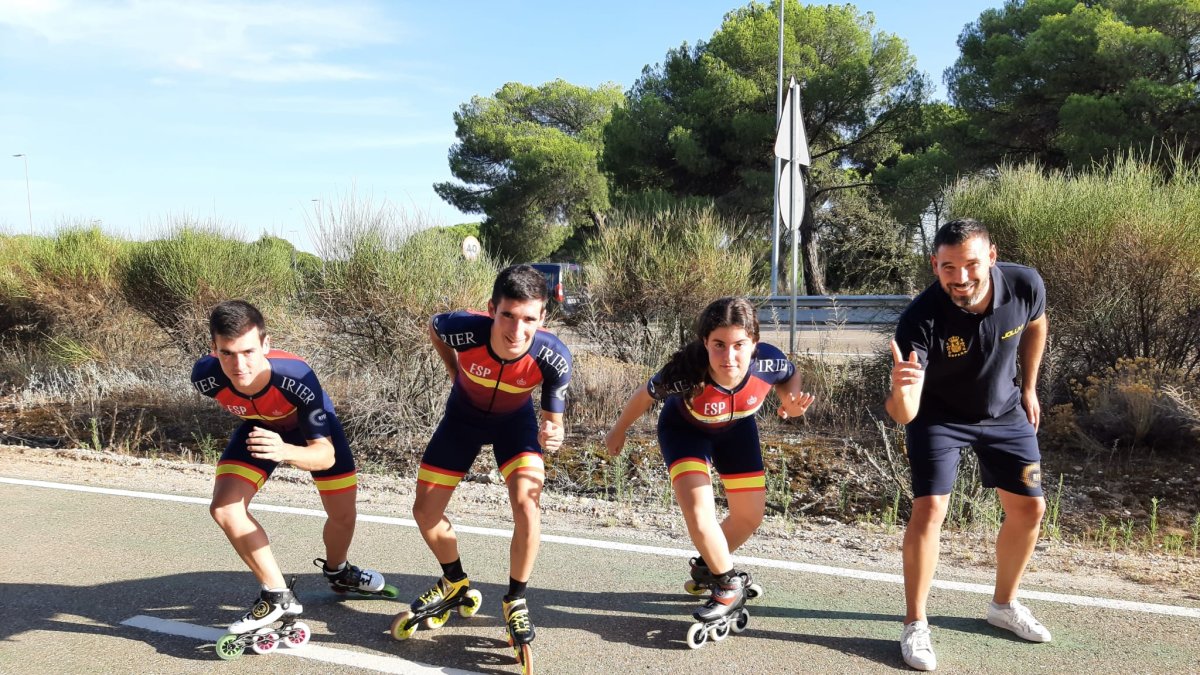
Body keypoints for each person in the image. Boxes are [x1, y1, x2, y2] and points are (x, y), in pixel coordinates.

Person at [886, 219, 1051, 671]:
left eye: (971, 265)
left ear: (992, 258)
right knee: (930, 509)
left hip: (1004, 413)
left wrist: (1029, 387)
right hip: (939, 419)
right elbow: (905, 414)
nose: (961, 278)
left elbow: (1036, 324)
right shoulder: (919, 319)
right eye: (948, 268)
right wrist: (901, 392)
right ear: (934, 266)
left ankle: (1003, 606)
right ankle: (915, 624)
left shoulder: (1024, 283)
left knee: (1030, 509)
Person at [605, 297, 814, 628]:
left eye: (739, 345)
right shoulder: (686, 372)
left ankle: (708, 566)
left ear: (754, 343)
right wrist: (618, 430)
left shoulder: (769, 363)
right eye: (719, 345)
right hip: (685, 433)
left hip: (737, 430)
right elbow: (644, 395)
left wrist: (790, 401)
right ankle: (728, 584)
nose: (729, 357)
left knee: (750, 515)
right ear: (705, 342)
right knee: (701, 515)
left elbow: (791, 375)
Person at [192, 300, 388, 635]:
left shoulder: (296, 377)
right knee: (225, 509)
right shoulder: (206, 378)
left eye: (249, 351)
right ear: (214, 348)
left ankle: (338, 570)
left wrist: (284, 450)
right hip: (260, 429)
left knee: (343, 515)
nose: (239, 365)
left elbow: (324, 456)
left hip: (312, 435)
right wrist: (268, 439)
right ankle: (277, 593)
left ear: (266, 345)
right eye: (227, 353)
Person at [410, 264, 572, 650]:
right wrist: (453, 369)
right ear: (491, 309)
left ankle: (515, 597)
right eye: (508, 316)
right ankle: (454, 581)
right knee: (425, 512)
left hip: (513, 426)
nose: (517, 331)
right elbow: (435, 327)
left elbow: (554, 423)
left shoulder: (554, 357)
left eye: (529, 319)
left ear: (543, 317)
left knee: (527, 506)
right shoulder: (463, 329)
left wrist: (554, 433)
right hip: (461, 421)